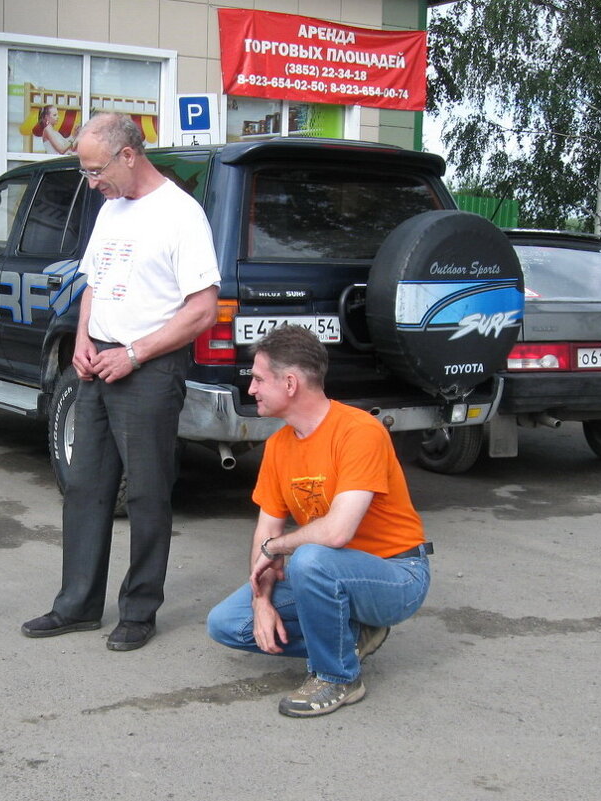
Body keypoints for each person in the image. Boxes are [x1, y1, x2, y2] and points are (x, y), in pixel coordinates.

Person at [22, 112, 220, 651]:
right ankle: (78, 605)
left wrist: (134, 354)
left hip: (148, 369)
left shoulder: (181, 214)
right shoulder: (110, 208)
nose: (91, 182)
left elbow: (203, 310)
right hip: (97, 364)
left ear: (128, 154)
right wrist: (83, 340)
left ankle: (138, 610)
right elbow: (93, 284)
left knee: (149, 493)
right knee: (85, 487)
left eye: (94, 169)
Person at [206, 325, 432, 717]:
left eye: (258, 379)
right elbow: (267, 528)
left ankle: (337, 677)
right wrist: (261, 600)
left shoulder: (359, 432)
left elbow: (335, 532)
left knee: (310, 557)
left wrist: (274, 550)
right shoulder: (278, 446)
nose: (252, 389)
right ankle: (352, 634)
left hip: (396, 573)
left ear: (290, 383)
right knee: (227, 623)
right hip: (328, 572)